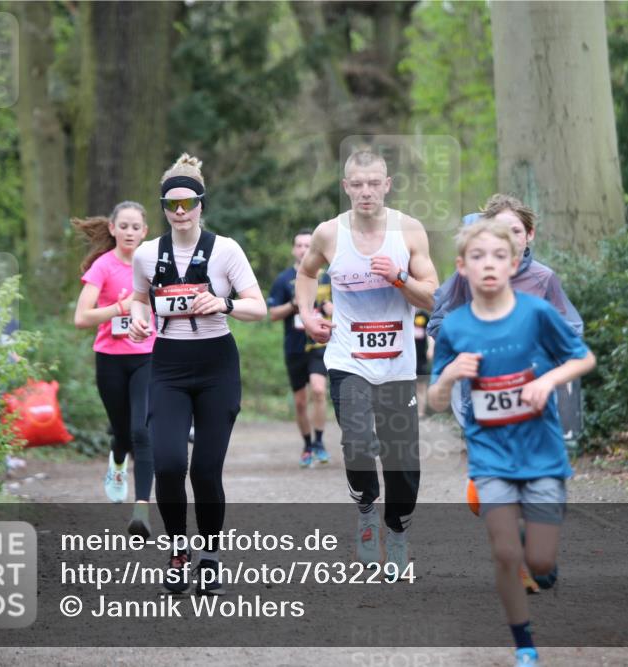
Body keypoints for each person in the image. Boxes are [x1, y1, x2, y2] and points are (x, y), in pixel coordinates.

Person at [428, 219, 595, 667]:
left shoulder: (536, 313)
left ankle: (530, 540)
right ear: (462, 266)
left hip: (541, 452)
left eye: (499, 256)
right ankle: (523, 643)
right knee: (504, 553)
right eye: (478, 257)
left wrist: (548, 381)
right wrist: (448, 375)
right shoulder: (455, 327)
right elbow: (434, 399)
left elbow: (583, 357)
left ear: (514, 261)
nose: (489, 265)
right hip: (491, 454)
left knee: (540, 563)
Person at [127, 154, 266, 596]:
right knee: (168, 464)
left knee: (205, 471)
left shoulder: (226, 250)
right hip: (167, 365)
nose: (181, 212)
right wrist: (136, 317)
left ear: (202, 204)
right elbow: (137, 298)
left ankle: (210, 556)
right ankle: (177, 551)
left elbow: (258, 307)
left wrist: (224, 304)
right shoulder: (148, 254)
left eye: (188, 203)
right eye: (172, 205)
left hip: (216, 365)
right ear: (163, 208)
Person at [296, 149, 439, 571]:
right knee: (357, 443)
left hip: (396, 365)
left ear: (387, 184)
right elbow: (307, 273)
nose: (366, 191)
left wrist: (398, 277)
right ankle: (365, 511)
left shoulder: (409, 230)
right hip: (347, 359)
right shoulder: (328, 233)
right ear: (346, 188)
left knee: (402, 460)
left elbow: (433, 294)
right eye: (357, 184)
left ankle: (395, 530)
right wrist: (307, 316)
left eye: (374, 183)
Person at [428, 194, 584, 432]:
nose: (509, 238)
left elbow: (571, 330)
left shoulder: (543, 278)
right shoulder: (468, 276)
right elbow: (439, 321)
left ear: (529, 234)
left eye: (516, 231)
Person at [73, 202, 155, 537]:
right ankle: (117, 460)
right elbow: (81, 318)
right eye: (124, 226)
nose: (130, 232)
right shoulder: (103, 267)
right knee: (122, 432)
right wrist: (120, 307)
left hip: (147, 355)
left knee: (142, 431)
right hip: (110, 357)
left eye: (136, 227)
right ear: (112, 228)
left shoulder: (152, 264)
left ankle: (142, 511)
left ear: (145, 231)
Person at [267, 230, 332, 467]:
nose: (304, 249)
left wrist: (329, 308)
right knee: (301, 401)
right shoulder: (283, 279)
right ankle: (307, 445)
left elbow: (342, 310)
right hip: (294, 346)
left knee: (318, 389)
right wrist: (293, 305)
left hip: (319, 344)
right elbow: (273, 314)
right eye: (300, 245)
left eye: (308, 245)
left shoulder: (327, 277)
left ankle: (320, 442)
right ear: (294, 249)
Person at [412, 309, 432, 417]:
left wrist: (431, 349)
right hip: (405, 357)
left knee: (421, 385)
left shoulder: (423, 316)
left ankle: (421, 412)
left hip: (420, 357)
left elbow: (430, 334)